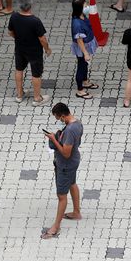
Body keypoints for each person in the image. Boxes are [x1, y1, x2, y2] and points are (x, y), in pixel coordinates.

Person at [41, 102, 83, 239]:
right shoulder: (78, 124)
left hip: (65, 165)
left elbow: (66, 153)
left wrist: (54, 139)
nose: (59, 121)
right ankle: (76, 212)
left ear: (64, 116)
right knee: (72, 184)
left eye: (59, 119)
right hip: (74, 162)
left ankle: (56, 226)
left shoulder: (70, 130)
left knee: (61, 196)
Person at [7, 0, 51, 105]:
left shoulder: (14, 17)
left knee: (19, 69)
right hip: (34, 52)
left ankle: (19, 95)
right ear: (30, 5)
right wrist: (47, 49)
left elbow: (10, 32)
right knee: (36, 74)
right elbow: (42, 39)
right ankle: (37, 98)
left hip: (20, 49)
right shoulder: (35, 21)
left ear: (20, 5)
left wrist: (18, 38)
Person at [70, 0, 98, 100]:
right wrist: (85, 53)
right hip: (82, 48)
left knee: (84, 64)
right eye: (85, 6)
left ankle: (85, 81)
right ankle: (80, 90)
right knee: (81, 66)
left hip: (86, 45)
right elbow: (79, 40)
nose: (87, 7)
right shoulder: (77, 24)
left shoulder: (82, 16)